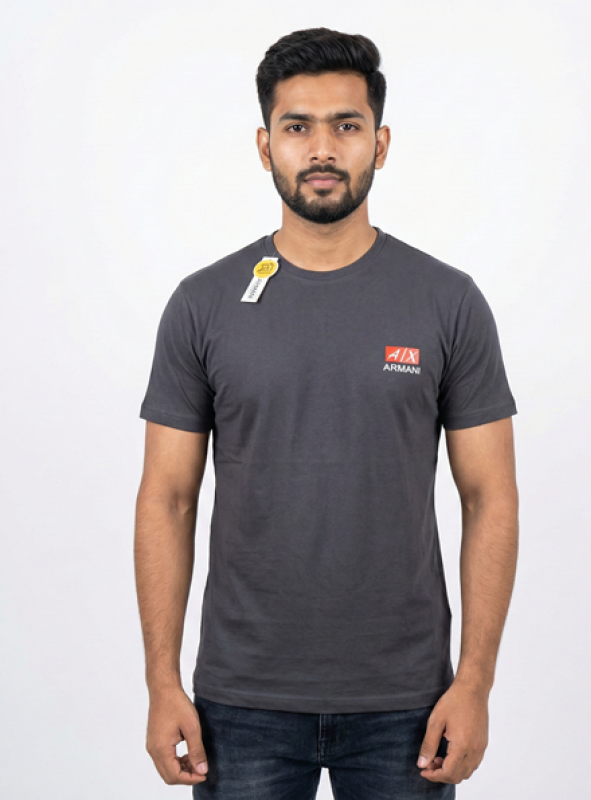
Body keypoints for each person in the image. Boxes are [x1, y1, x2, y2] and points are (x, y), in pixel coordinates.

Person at [134, 27, 519, 800]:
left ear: (380, 143)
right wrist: (161, 684)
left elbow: (490, 498)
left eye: (345, 125)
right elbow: (166, 499)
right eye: (296, 126)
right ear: (263, 145)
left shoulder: (447, 301)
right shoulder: (202, 304)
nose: (320, 149)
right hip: (240, 700)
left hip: (408, 703)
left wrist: (473, 683)